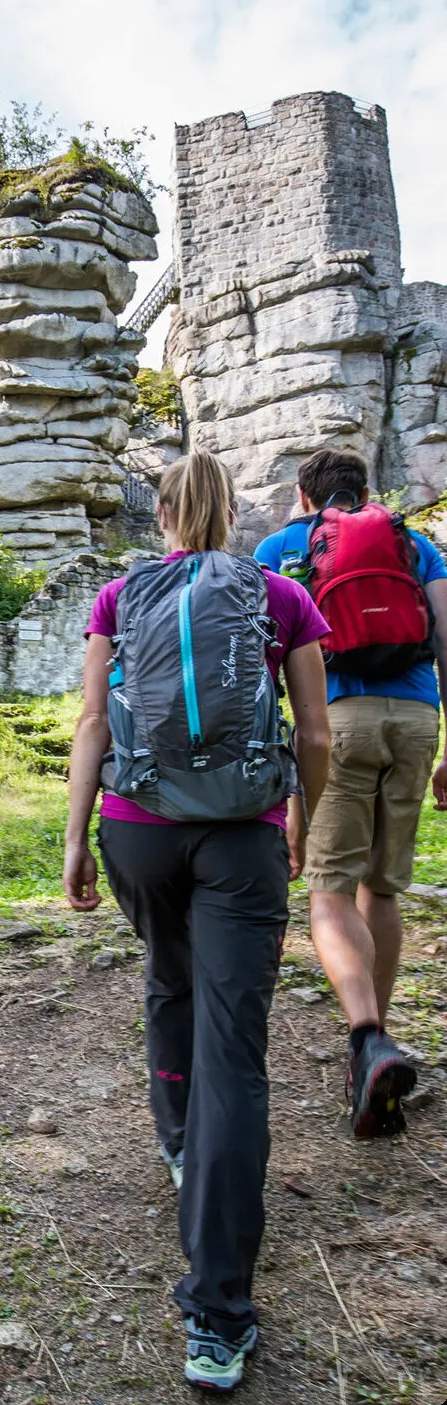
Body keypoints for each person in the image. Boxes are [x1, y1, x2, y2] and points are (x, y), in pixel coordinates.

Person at [64, 451, 331, 1393]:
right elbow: (315, 733)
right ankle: (218, 1317)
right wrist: (297, 820)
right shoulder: (280, 597)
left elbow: (94, 723)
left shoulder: (117, 595)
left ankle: (180, 1144)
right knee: (235, 1049)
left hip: (136, 831)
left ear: (166, 515)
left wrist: (73, 843)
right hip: (241, 839)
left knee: (168, 976)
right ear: (231, 512)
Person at [254, 447, 447, 1137]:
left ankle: (367, 1036)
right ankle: (376, 1041)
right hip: (417, 719)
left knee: (330, 891)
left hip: (341, 719)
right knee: (384, 889)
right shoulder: (414, 542)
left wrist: (285, 789)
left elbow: (260, 656)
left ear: (306, 498)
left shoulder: (284, 546)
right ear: (365, 491)